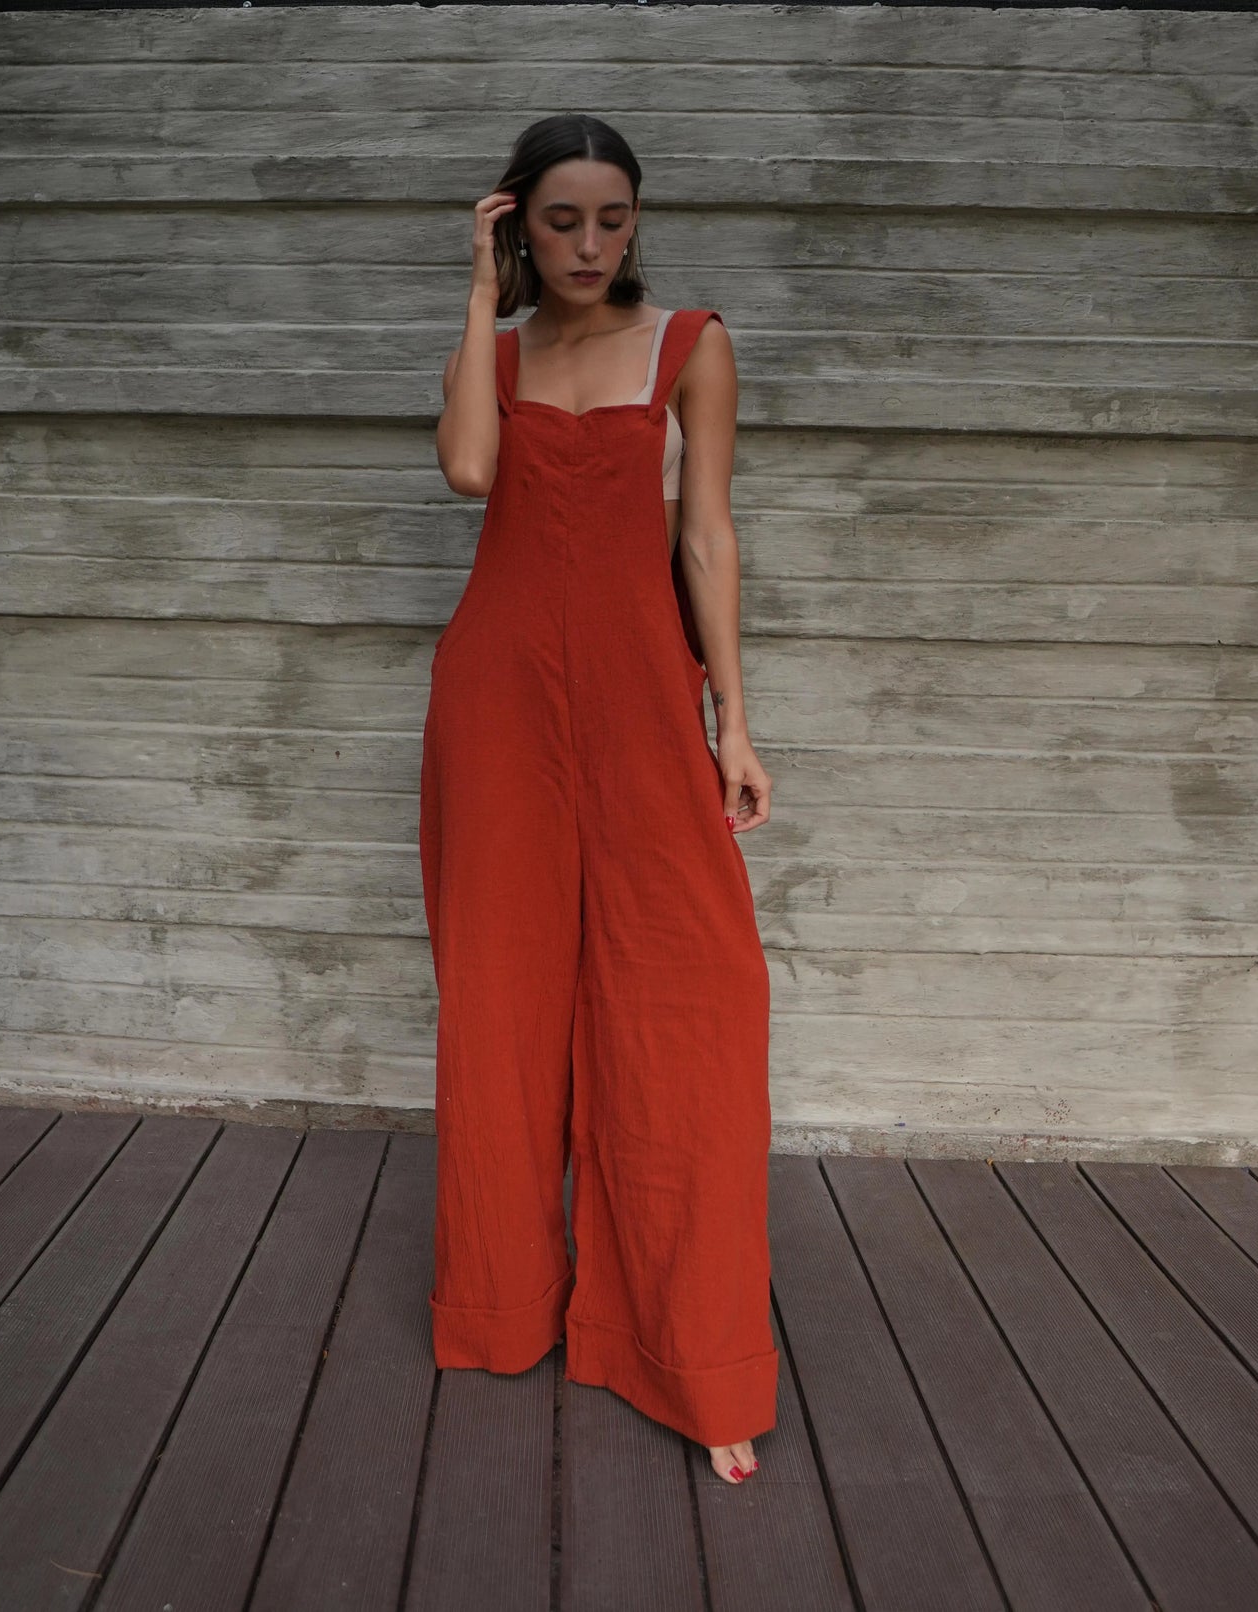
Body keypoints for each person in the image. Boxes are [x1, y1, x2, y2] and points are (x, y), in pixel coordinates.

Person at [420, 113, 776, 1486]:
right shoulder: (500, 357)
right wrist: (477, 295)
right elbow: (469, 471)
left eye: (610, 218)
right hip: (497, 707)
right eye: (558, 220)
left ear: (637, 221)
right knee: (502, 1007)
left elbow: (707, 536)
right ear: (518, 222)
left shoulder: (690, 343)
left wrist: (731, 720)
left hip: (639, 703)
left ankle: (692, 1353)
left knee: (694, 998)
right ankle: (502, 1306)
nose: (587, 244)